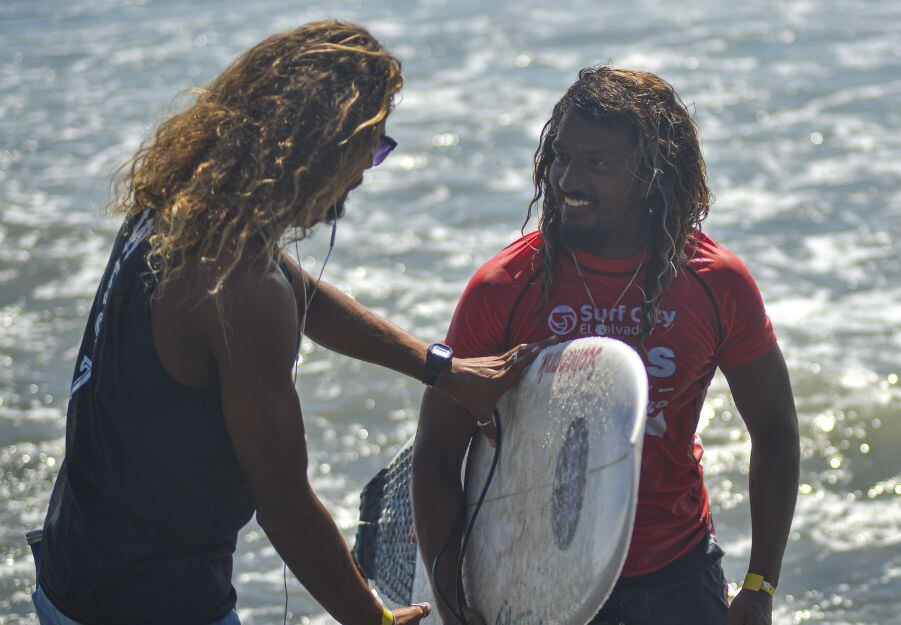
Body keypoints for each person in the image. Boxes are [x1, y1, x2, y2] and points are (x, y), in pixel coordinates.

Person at [30, 20, 545, 625]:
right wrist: (372, 619)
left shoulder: (186, 208)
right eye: (369, 147)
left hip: (72, 570)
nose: (367, 170)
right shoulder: (241, 288)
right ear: (319, 145)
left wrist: (441, 370)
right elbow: (285, 506)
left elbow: (304, 296)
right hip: (151, 602)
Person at [412, 67, 800, 625]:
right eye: (561, 156)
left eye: (597, 163)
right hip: (533, 577)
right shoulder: (505, 288)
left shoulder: (714, 283)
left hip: (675, 572)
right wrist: (455, 608)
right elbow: (436, 458)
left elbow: (776, 431)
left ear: (652, 174)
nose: (567, 179)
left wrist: (760, 587)